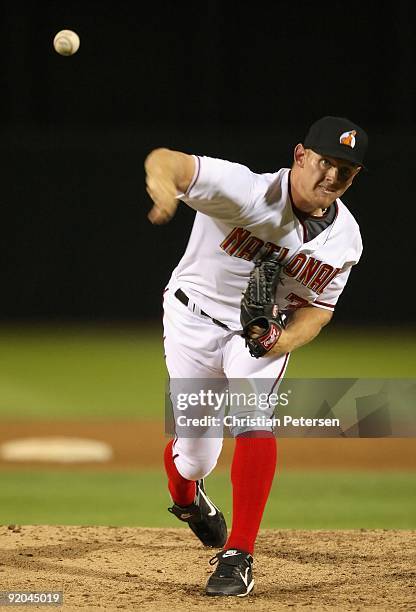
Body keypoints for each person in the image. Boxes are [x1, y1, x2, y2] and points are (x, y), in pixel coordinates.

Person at [144, 116, 368, 597]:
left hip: (257, 334)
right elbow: (166, 161)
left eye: (345, 171)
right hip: (193, 319)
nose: (331, 177)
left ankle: (238, 556)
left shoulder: (346, 239)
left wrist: (278, 342)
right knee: (197, 459)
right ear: (301, 155)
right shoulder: (244, 191)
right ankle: (187, 498)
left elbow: (318, 311)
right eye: (326, 162)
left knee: (254, 417)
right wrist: (165, 188)